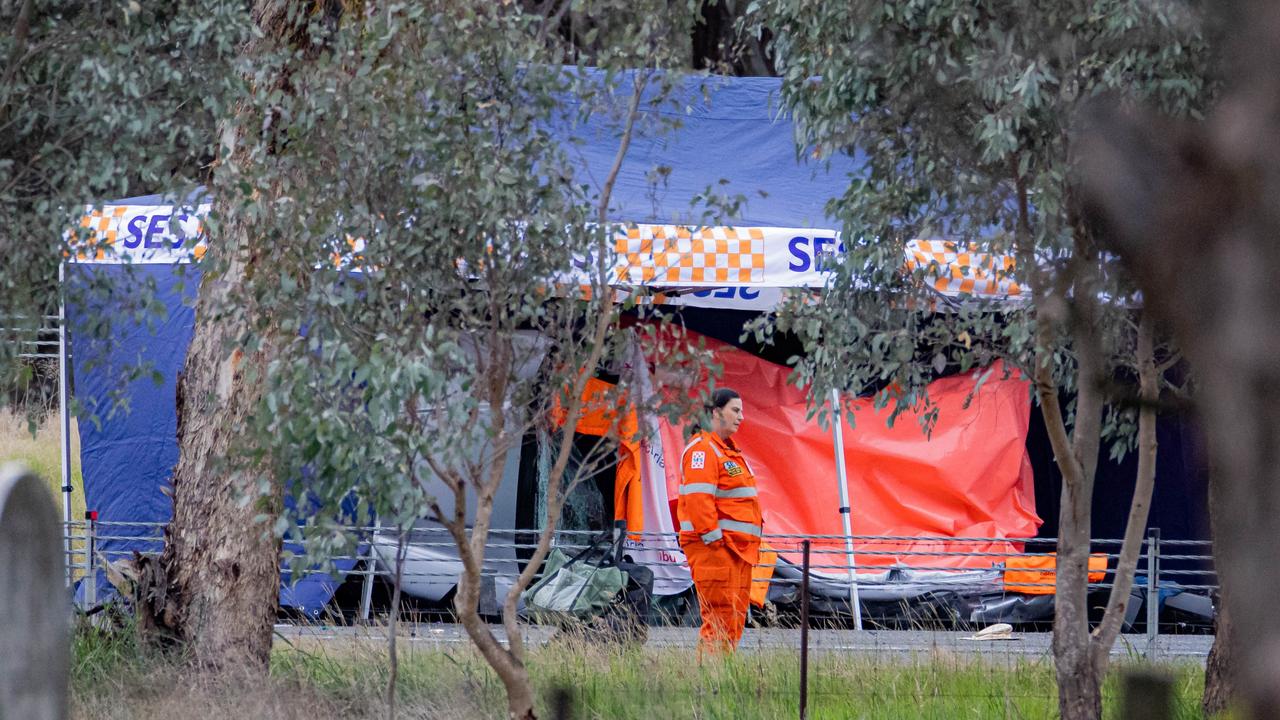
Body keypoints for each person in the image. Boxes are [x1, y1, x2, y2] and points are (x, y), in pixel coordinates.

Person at [677, 387, 762, 655]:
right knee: (719, 619)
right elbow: (699, 500)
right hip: (717, 550)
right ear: (716, 412)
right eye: (735, 410)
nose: (741, 417)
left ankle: (722, 682)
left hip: (737, 551)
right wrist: (715, 543)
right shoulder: (703, 449)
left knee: (733, 619)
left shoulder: (727, 451)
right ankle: (710, 687)